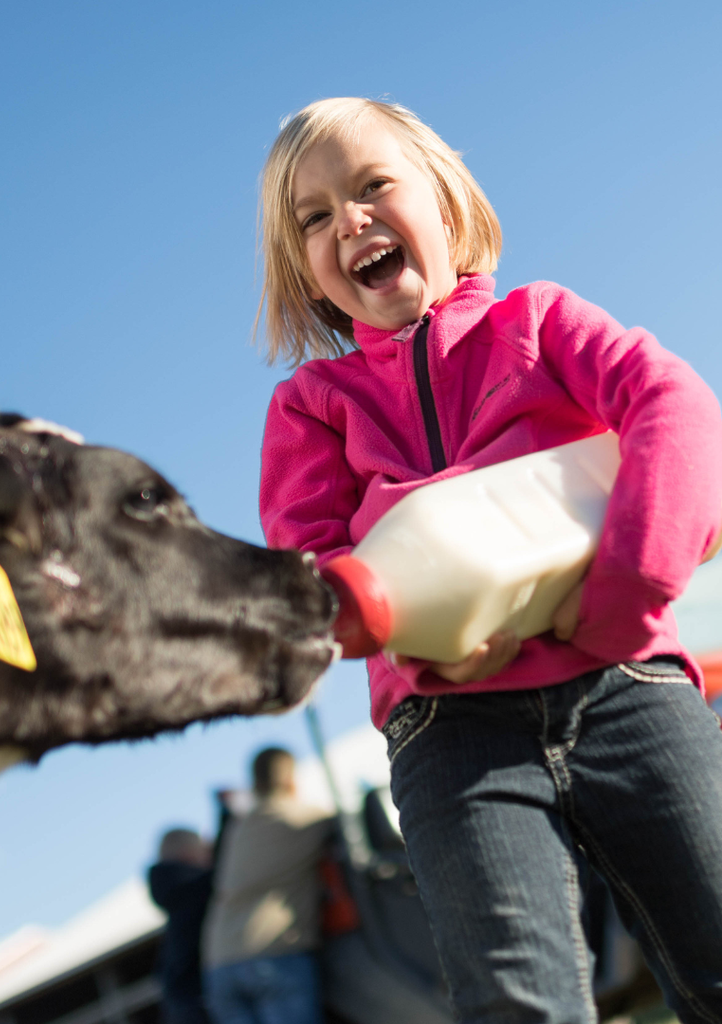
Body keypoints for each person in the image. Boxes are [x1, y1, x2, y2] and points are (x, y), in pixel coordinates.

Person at [256, 96, 722, 1024]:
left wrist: (629, 585)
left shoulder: (541, 323)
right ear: (307, 274)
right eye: (313, 218)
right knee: (520, 1001)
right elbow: (310, 569)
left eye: (374, 185)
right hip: (450, 727)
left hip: (623, 680)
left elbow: (674, 408)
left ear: (448, 206)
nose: (348, 219)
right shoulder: (316, 405)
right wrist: (415, 638)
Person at [202, 747, 335, 1024]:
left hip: (219, 961)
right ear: (291, 778)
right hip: (273, 954)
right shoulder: (300, 818)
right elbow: (348, 831)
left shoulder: (237, 828)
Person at [148, 828, 215, 1024]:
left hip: (181, 1003)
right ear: (189, 854)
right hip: (201, 999)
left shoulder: (174, 894)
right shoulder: (196, 888)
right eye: (204, 850)